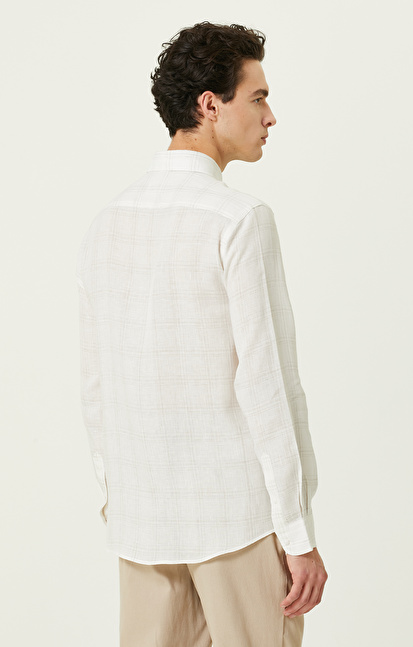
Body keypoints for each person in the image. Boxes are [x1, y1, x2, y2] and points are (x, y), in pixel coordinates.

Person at [76, 21, 328, 647]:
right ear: (209, 105)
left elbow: (95, 385)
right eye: (258, 97)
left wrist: (118, 496)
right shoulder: (239, 220)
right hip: (236, 520)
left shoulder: (107, 223)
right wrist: (297, 535)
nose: (270, 116)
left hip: (142, 523)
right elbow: (269, 387)